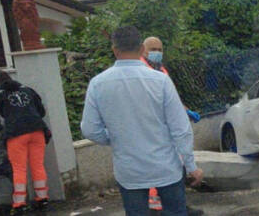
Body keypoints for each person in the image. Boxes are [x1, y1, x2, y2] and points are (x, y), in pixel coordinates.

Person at [81, 26, 203, 216]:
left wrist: (115, 137)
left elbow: (89, 130)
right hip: (166, 168)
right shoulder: (160, 80)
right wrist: (191, 166)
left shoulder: (98, 84)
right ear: (140, 49)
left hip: (129, 171)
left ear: (114, 50)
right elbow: (180, 128)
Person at [139, 36, 200, 215]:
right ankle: (157, 209)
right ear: (143, 50)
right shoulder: (143, 71)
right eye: (153, 49)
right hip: (153, 129)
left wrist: (185, 110)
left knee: (175, 167)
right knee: (158, 172)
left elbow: (171, 98)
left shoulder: (161, 69)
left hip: (166, 128)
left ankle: (178, 205)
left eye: (160, 49)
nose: (157, 52)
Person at [0, 70, 49, 215]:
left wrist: (2, 130)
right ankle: (42, 199)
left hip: (16, 134)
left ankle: (19, 204)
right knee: (38, 165)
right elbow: (41, 111)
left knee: (19, 169)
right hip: (37, 130)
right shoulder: (27, 90)